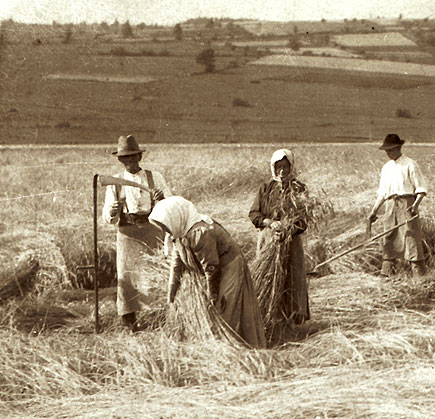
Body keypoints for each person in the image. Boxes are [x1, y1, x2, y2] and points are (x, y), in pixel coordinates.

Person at [149, 196, 266, 348]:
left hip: (229, 266)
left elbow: (211, 268)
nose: (165, 230)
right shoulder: (178, 232)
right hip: (215, 269)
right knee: (219, 309)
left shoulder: (200, 232)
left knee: (225, 308)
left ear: (176, 216)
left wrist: (213, 295)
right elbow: (176, 262)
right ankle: (228, 345)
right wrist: (172, 288)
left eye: (165, 225)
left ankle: (237, 347)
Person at [102, 135, 171, 332]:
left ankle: (159, 317)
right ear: (121, 160)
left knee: (154, 274)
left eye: (133, 157)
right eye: (126, 158)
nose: (130, 162)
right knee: (127, 277)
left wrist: (161, 198)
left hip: (151, 230)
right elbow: (106, 215)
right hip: (127, 234)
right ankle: (130, 323)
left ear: (139, 157)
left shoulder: (154, 177)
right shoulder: (115, 182)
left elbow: (171, 202)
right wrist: (113, 212)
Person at [248, 149, 310, 326]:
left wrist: (288, 227)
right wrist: (269, 222)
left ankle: (290, 319)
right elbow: (253, 213)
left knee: (291, 277)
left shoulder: (298, 188)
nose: (282, 171)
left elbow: (303, 219)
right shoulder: (266, 188)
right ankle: (268, 315)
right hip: (268, 239)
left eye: (285, 166)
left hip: (290, 242)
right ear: (273, 168)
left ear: (291, 166)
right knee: (268, 277)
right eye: (278, 167)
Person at [367, 133, 427, 277]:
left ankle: (419, 278)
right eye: (386, 150)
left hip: (407, 204)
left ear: (398, 147)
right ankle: (387, 274)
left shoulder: (410, 164)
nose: (388, 153)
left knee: (410, 237)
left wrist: (415, 206)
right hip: (390, 205)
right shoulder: (386, 167)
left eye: (390, 149)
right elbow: (382, 193)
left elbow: (421, 189)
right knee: (388, 236)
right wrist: (374, 211)